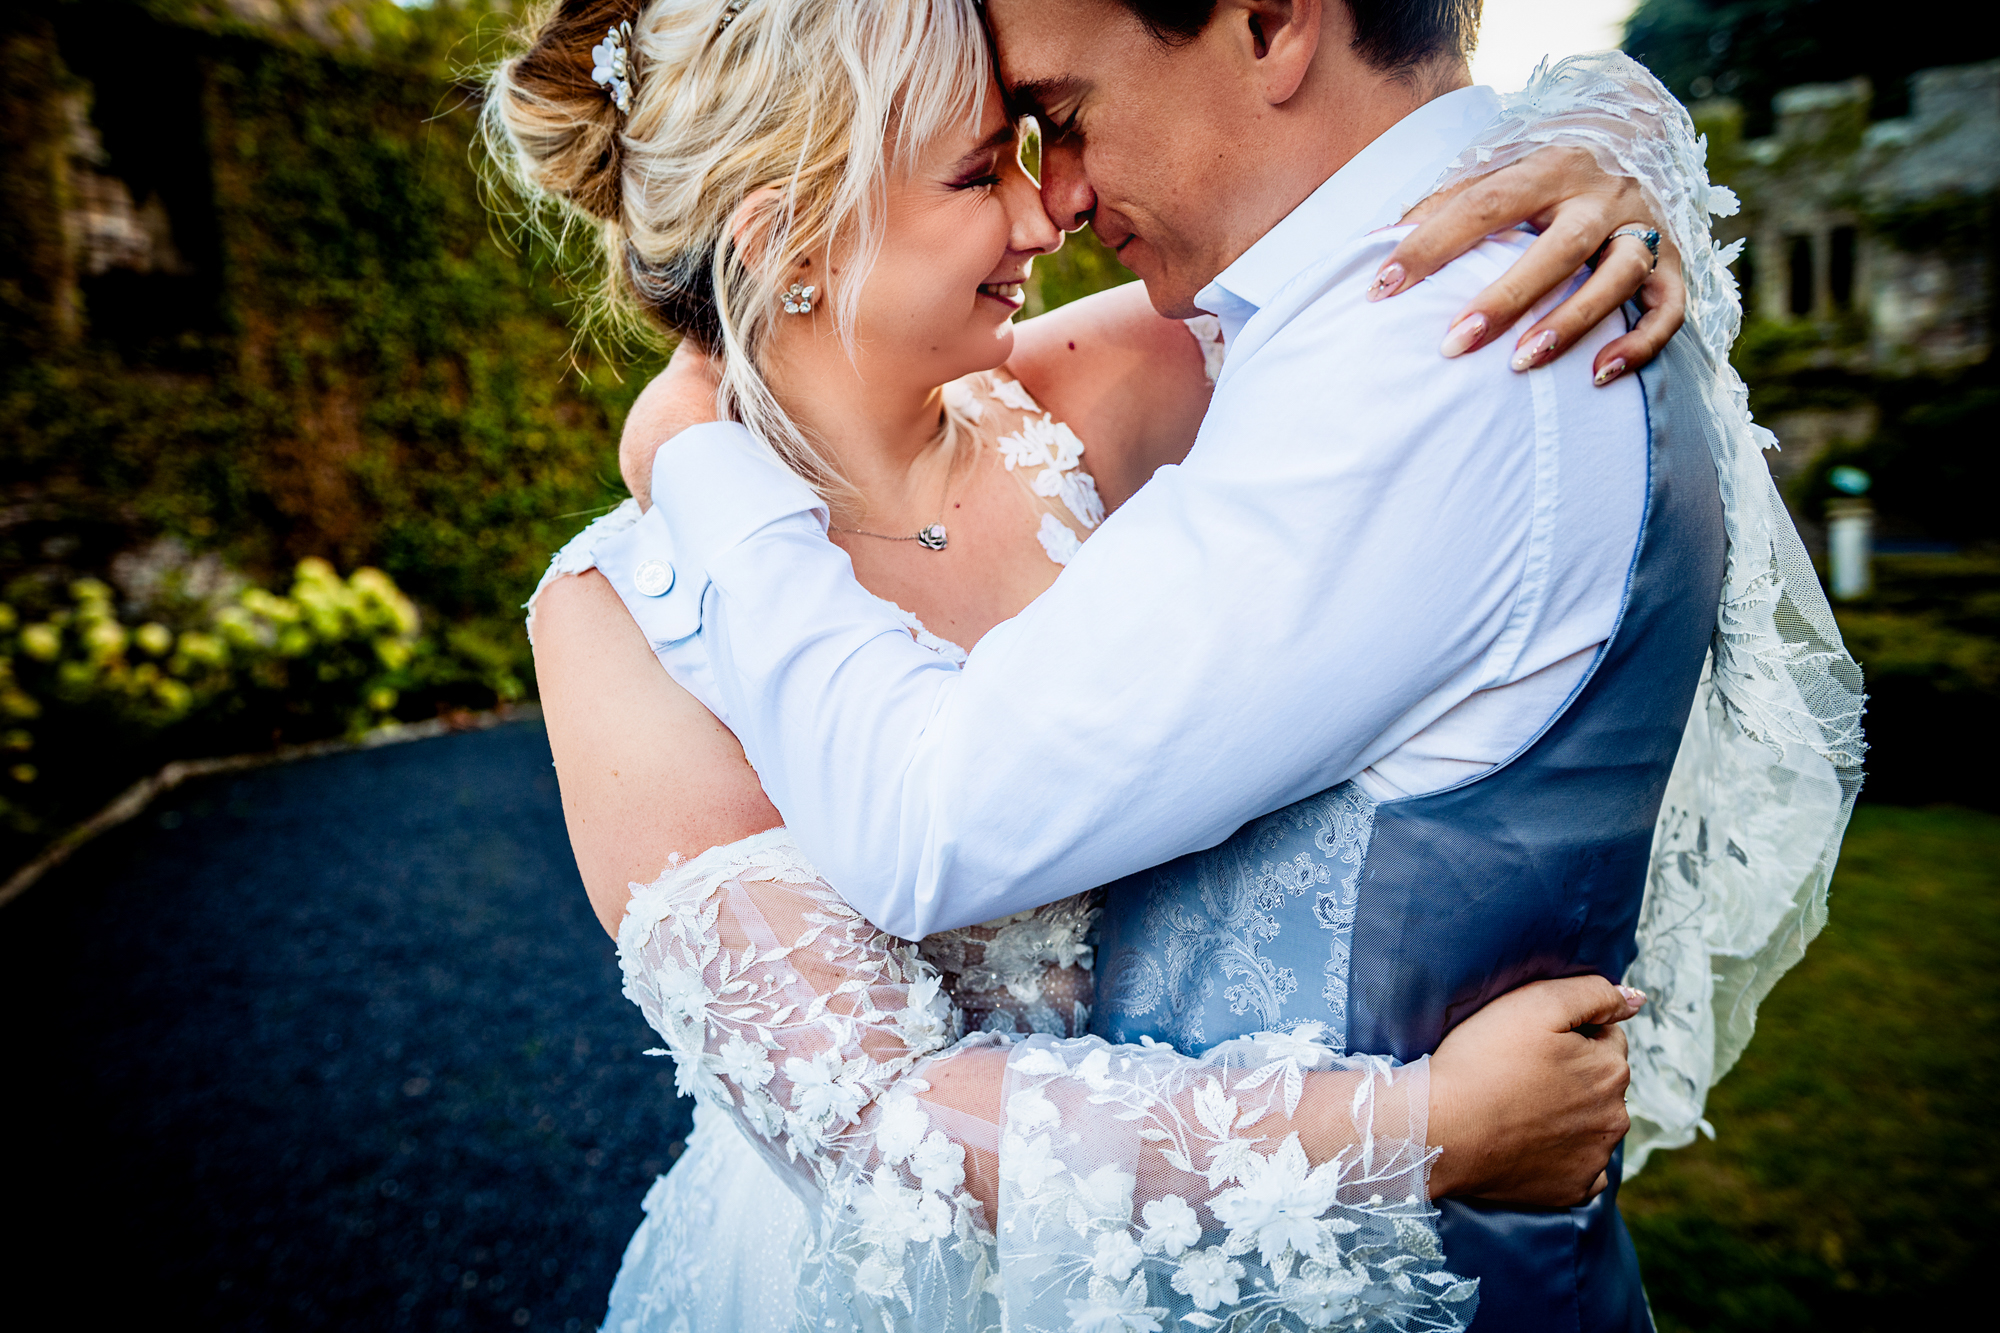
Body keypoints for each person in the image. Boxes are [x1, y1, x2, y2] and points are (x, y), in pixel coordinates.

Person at [487, 1, 1862, 1330]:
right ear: (788, 237)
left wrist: (1614, 137)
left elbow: (1379, 227)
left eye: (1044, 137)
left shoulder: (1097, 390)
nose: (1047, 213)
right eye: (986, 167)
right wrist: (1426, 1131)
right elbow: (881, 1127)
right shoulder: (618, 613)